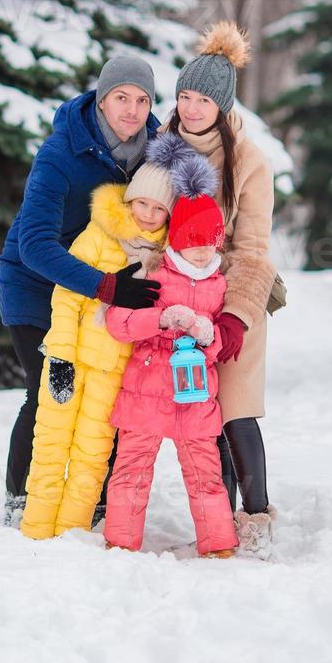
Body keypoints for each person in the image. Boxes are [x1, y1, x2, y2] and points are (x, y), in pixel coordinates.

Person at [0, 57, 163, 525]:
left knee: (109, 391)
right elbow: (34, 244)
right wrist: (108, 286)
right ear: (101, 97)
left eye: (142, 100)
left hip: (110, 290)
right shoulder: (60, 154)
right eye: (121, 98)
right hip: (34, 285)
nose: (132, 111)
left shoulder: (155, 155)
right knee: (47, 390)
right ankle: (21, 497)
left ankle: (96, 498)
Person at [20, 138, 185, 539]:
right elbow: (66, 296)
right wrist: (59, 355)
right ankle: (37, 530)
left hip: (114, 370)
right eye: (142, 203)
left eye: (158, 208)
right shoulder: (98, 236)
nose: (147, 214)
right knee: (51, 443)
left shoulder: (162, 258)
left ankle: (72, 531)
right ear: (129, 202)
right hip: (71, 359)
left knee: (93, 452)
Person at [164, 20, 278, 559]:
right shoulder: (160, 151)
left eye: (202, 99)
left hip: (235, 300)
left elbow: (254, 249)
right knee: (197, 413)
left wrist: (234, 315)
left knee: (234, 409)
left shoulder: (249, 162)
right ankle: (218, 523)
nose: (190, 108)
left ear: (222, 103)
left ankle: (255, 518)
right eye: (184, 96)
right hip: (175, 303)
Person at [103, 174, 239, 559]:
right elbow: (119, 323)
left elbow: (219, 344)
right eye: (193, 241)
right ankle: (121, 541)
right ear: (177, 238)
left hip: (194, 394)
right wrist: (160, 320)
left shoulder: (219, 283)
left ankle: (218, 546)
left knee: (206, 475)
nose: (201, 251)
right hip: (146, 390)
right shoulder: (154, 273)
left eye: (209, 242)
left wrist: (206, 333)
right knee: (131, 470)